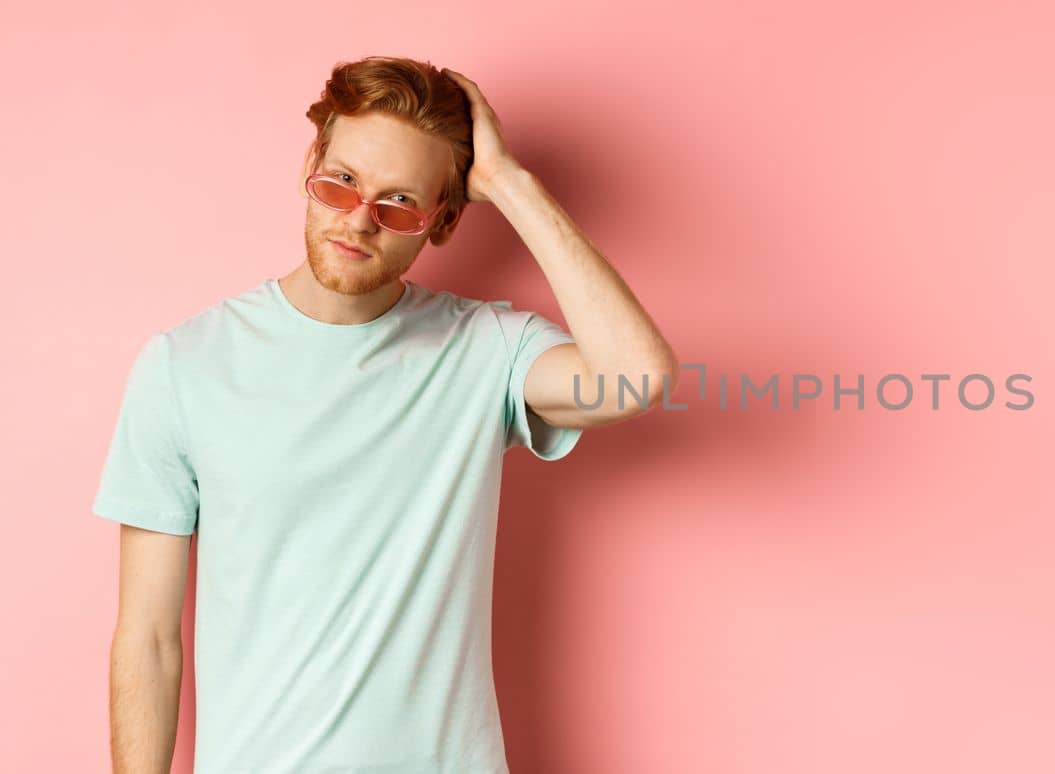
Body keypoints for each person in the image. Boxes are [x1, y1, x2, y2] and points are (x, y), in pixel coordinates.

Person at [92, 56, 677, 773]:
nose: (359, 221)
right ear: (312, 165)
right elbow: (148, 638)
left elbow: (637, 379)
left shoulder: (485, 350)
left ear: (444, 222)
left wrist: (510, 183)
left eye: (399, 204)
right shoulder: (183, 366)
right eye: (339, 183)